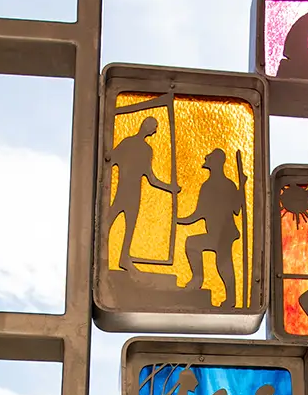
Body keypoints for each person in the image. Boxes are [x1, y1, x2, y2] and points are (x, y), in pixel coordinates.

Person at [105, 113, 174, 268]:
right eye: (154, 127)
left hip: (133, 195)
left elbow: (150, 178)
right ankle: (105, 257)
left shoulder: (143, 149)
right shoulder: (131, 144)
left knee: (126, 227)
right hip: (125, 192)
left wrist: (170, 188)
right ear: (147, 126)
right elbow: (109, 159)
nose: (155, 131)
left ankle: (123, 258)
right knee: (108, 223)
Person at [178, 148, 245, 308]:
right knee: (195, 245)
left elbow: (236, 209)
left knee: (223, 263)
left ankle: (230, 299)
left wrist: (242, 187)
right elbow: (201, 212)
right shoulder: (212, 186)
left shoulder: (224, 185)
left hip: (224, 233)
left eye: (208, 159)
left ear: (215, 163)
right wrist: (179, 220)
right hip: (216, 233)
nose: (205, 161)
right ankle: (198, 279)